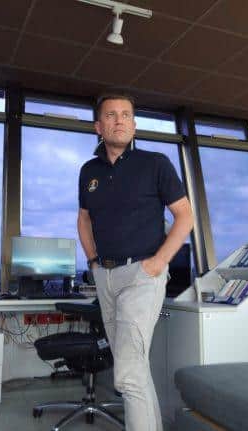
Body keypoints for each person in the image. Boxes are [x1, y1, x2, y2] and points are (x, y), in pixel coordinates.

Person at [77, 93, 194, 431]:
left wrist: (158, 263)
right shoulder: (89, 171)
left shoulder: (155, 163)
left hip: (142, 274)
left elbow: (185, 216)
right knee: (135, 368)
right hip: (105, 276)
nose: (120, 121)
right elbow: (84, 219)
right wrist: (93, 262)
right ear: (98, 126)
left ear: (134, 124)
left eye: (126, 115)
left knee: (127, 374)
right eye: (111, 115)